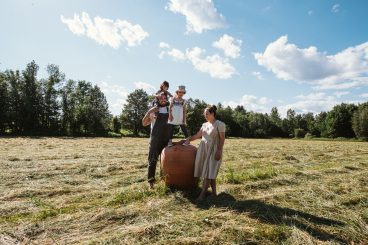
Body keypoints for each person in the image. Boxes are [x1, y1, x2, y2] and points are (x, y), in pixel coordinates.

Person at [184, 105, 226, 201]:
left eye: (206, 114)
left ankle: (202, 195)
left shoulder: (220, 124)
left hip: (214, 150)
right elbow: (197, 135)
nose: (205, 115)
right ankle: (214, 194)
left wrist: (219, 151)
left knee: (208, 173)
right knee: (210, 172)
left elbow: (222, 139)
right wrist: (188, 140)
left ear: (212, 114)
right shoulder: (204, 125)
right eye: (204, 114)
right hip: (203, 150)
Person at [142, 93, 170, 189]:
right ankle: (151, 183)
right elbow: (144, 123)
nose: (163, 100)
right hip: (155, 140)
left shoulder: (168, 110)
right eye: (161, 98)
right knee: (152, 160)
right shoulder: (154, 110)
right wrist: (150, 111)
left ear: (166, 99)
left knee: (165, 161)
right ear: (158, 100)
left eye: (164, 98)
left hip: (165, 140)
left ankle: (164, 180)